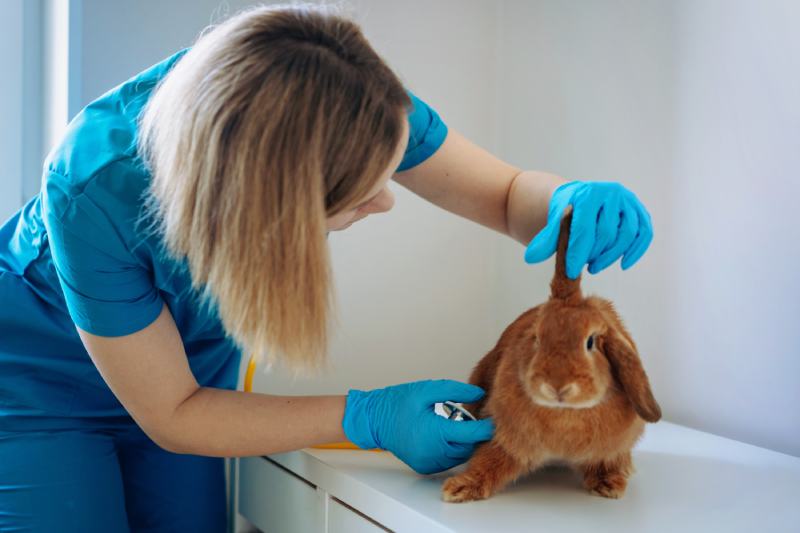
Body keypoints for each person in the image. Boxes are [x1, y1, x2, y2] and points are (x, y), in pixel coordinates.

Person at [0, 4, 653, 532]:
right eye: (359, 193)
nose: (387, 198)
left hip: (187, 373)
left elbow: (509, 196)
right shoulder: (94, 188)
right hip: (39, 383)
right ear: (268, 210)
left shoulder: (348, 96)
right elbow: (172, 411)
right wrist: (365, 416)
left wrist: (566, 200)